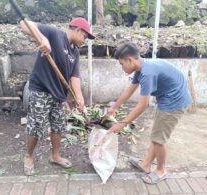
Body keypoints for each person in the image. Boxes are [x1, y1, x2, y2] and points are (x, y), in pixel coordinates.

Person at [107, 42, 192, 184]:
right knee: (156, 135)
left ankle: (161, 170)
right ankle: (145, 165)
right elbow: (129, 90)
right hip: (168, 98)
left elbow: (143, 105)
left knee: (159, 140)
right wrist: (114, 108)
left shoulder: (147, 73)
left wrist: (122, 124)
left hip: (174, 102)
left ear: (130, 59)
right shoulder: (140, 69)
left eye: (122, 64)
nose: (122, 68)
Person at [20, 17, 95, 175]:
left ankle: (55, 156)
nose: (84, 41)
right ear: (77, 30)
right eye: (84, 37)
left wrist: (79, 98)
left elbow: (74, 76)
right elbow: (24, 24)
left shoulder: (74, 52)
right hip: (41, 90)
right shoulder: (55, 35)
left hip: (59, 95)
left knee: (58, 126)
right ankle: (28, 156)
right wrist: (43, 39)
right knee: (36, 126)